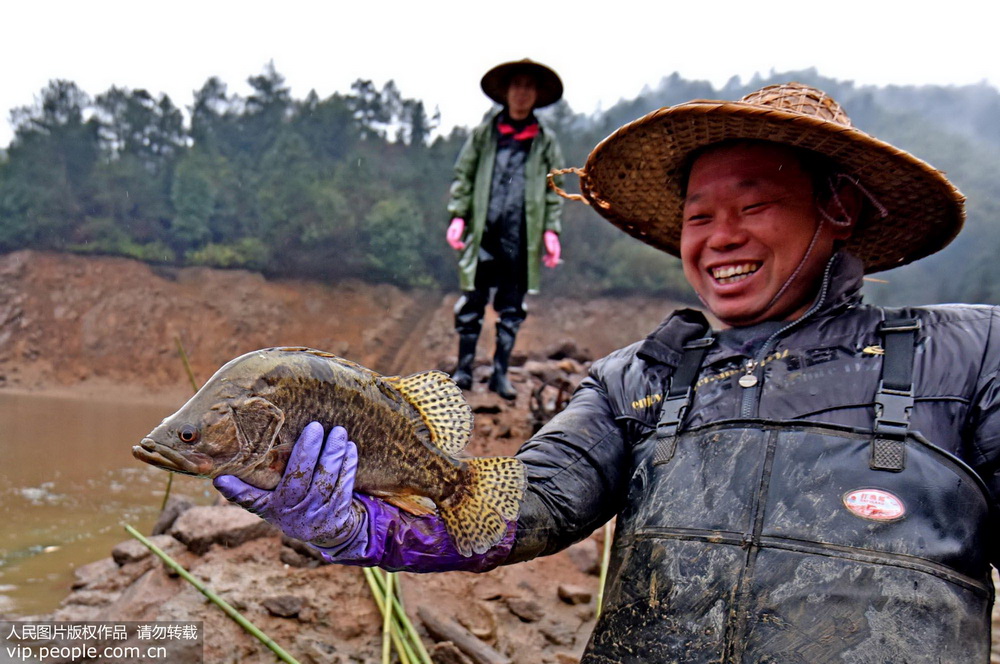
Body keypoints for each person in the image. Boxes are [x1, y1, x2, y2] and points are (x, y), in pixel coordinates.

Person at [214, 83, 1000, 663]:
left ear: (840, 210)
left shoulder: (966, 357)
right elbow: (516, 505)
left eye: (753, 205)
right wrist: (357, 524)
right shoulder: (638, 380)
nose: (718, 237)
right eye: (697, 216)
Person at [445, 58, 565, 399]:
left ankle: (500, 373)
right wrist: (459, 216)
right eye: (517, 86)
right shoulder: (485, 134)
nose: (522, 93)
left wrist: (551, 231)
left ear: (536, 94)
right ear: (507, 92)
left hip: (521, 235)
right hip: (485, 229)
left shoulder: (544, 141)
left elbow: (553, 188)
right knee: (472, 300)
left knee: (512, 307)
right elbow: (464, 175)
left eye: (529, 87)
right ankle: (464, 369)